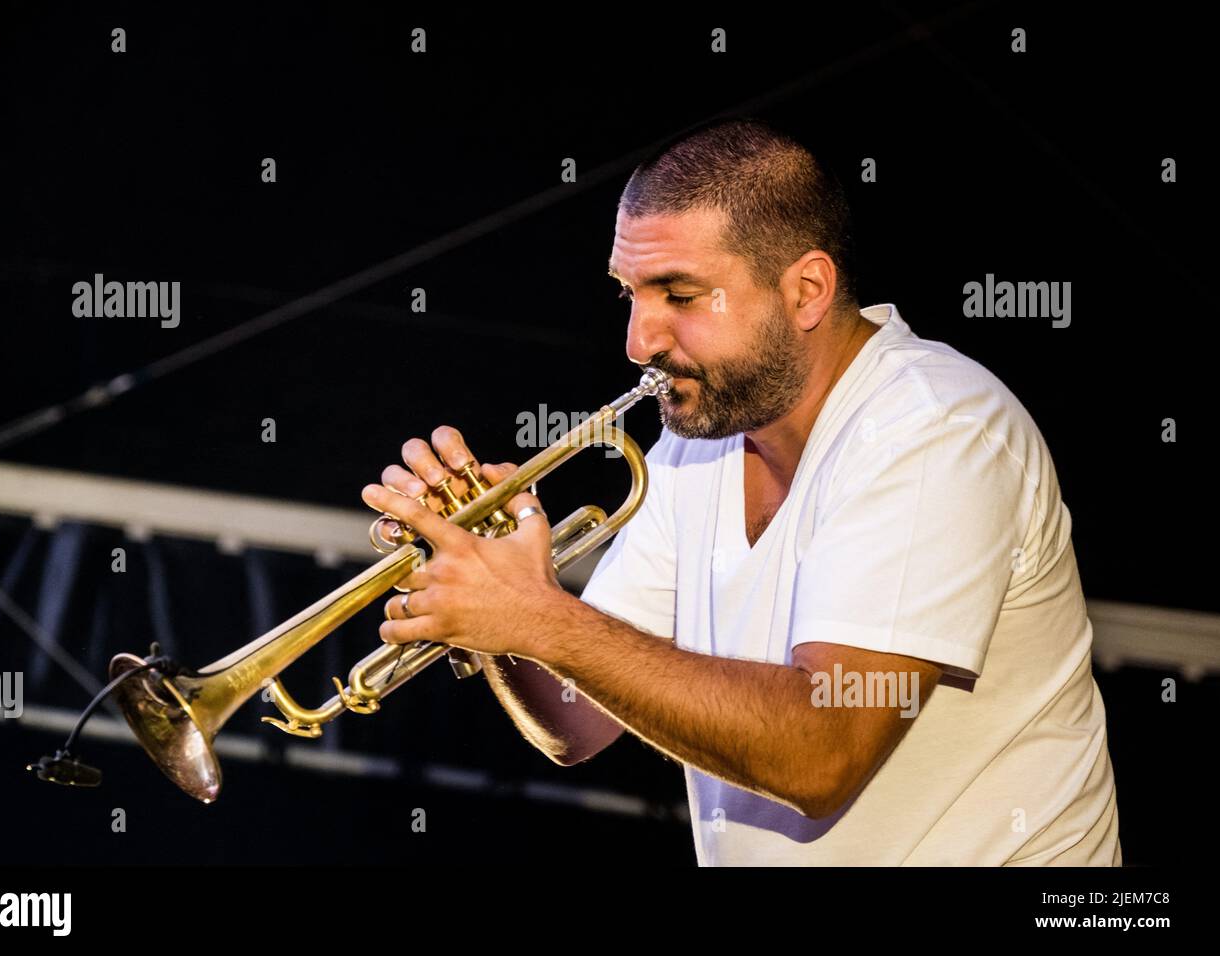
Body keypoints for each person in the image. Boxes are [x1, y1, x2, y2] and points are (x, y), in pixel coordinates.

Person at [361, 117, 1121, 866]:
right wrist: (494, 594)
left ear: (807, 290)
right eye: (629, 293)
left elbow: (823, 754)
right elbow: (575, 723)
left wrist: (544, 618)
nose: (638, 341)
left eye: (680, 295)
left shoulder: (935, 428)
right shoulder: (699, 446)